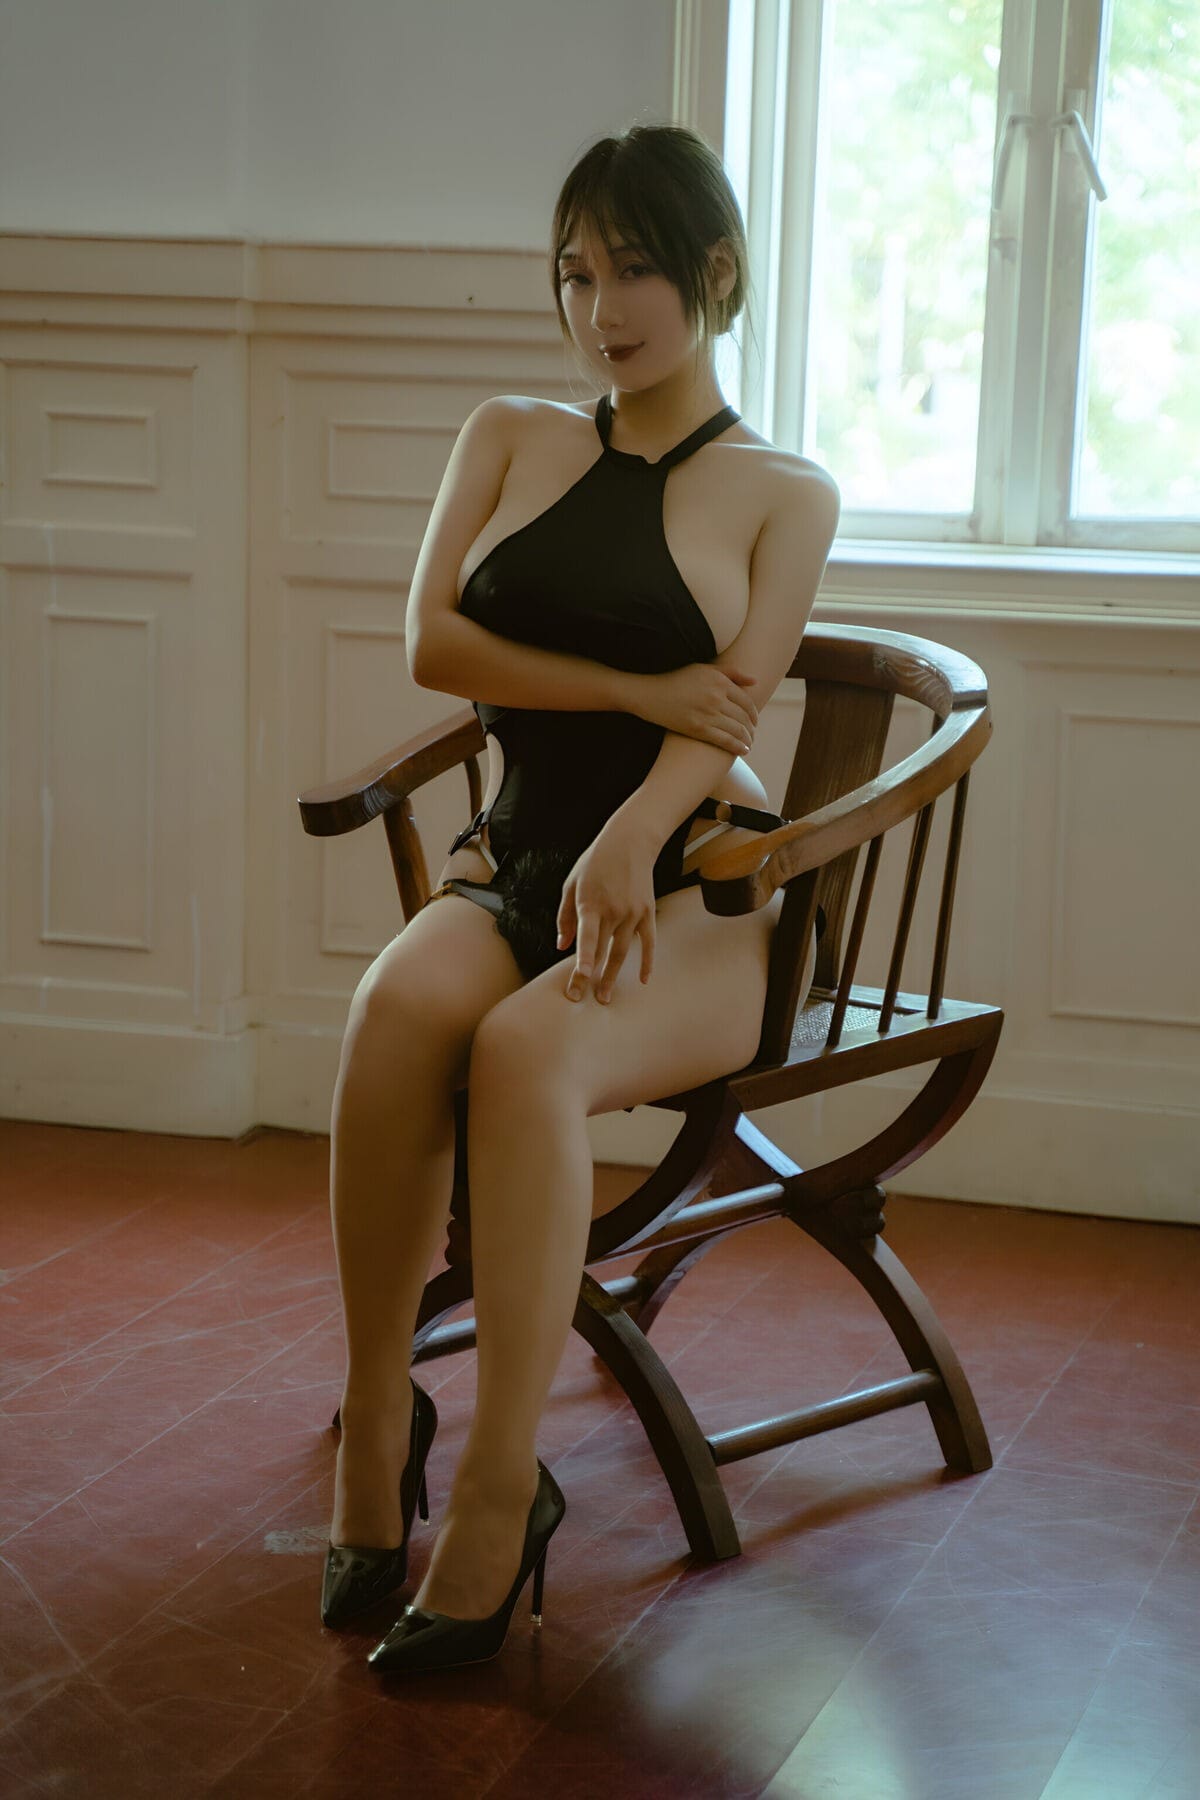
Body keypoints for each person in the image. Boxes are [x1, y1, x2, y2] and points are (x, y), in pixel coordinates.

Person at [321, 122, 840, 1676]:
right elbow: (437, 647)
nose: (600, 309)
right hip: (518, 856)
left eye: (635, 271)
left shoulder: (785, 492)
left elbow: (728, 712)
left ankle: (501, 1490)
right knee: (394, 1013)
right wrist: (630, 688)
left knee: (527, 1050)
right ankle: (376, 1426)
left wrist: (638, 829)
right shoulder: (508, 434)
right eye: (575, 273)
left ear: (716, 273)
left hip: (696, 889)